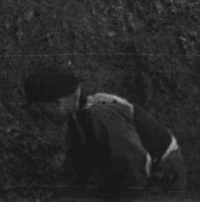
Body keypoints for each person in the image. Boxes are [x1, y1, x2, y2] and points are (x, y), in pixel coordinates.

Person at [24, 66, 187, 199]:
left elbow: (135, 166)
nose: (46, 118)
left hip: (162, 175)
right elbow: (76, 169)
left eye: (44, 111)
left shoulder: (99, 115)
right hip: (137, 175)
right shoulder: (78, 120)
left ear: (56, 104)